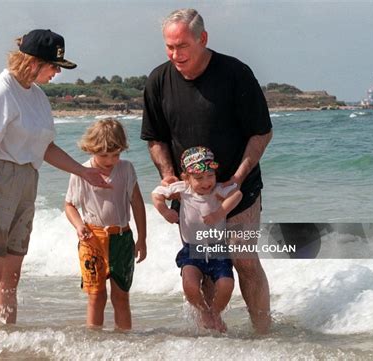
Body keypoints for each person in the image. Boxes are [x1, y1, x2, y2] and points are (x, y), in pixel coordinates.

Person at [0, 29, 110, 327]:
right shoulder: (0, 90)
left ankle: (5, 341)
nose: (56, 73)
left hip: (27, 180)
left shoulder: (38, 96)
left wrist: (82, 171)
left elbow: (45, 147)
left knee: (10, 277)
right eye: (54, 66)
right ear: (32, 62)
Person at [140, 9, 273, 333]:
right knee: (205, 265)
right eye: (169, 47)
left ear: (203, 39)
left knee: (243, 260)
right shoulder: (159, 80)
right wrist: (168, 176)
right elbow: (155, 137)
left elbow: (261, 132)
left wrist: (238, 176)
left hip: (236, 189)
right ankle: (212, 339)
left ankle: (265, 334)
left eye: (182, 46)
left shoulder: (235, 74)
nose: (175, 54)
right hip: (190, 195)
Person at [65, 118, 147, 330]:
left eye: (116, 154)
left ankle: (124, 341)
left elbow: (137, 204)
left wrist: (142, 239)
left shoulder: (126, 169)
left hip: (122, 238)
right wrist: (78, 225)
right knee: (96, 296)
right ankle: (95, 344)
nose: (110, 160)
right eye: (103, 155)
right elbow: (69, 206)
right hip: (92, 240)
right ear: (91, 149)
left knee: (121, 296)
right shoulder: (81, 172)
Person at [152, 146, 242, 332]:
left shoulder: (218, 189)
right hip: (192, 249)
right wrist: (165, 211)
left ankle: (215, 313)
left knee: (227, 284)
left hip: (217, 248)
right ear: (186, 177)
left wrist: (220, 212)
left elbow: (237, 194)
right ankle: (203, 311)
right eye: (199, 178)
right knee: (190, 285)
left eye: (210, 175)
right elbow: (156, 195)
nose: (206, 182)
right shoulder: (183, 190)